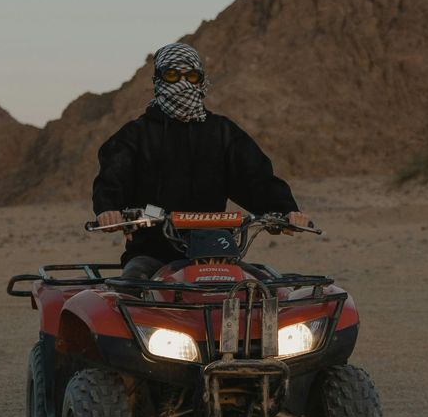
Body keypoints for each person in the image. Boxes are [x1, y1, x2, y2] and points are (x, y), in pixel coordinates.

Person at [93, 42, 312, 279]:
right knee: (132, 287)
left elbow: (256, 178)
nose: (183, 83)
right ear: (158, 80)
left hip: (216, 250)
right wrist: (110, 210)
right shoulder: (136, 135)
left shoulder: (222, 133)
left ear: (201, 81)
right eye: (173, 75)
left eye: (192, 76)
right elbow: (114, 176)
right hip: (152, 251)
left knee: (267, 291)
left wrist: (286, 211)